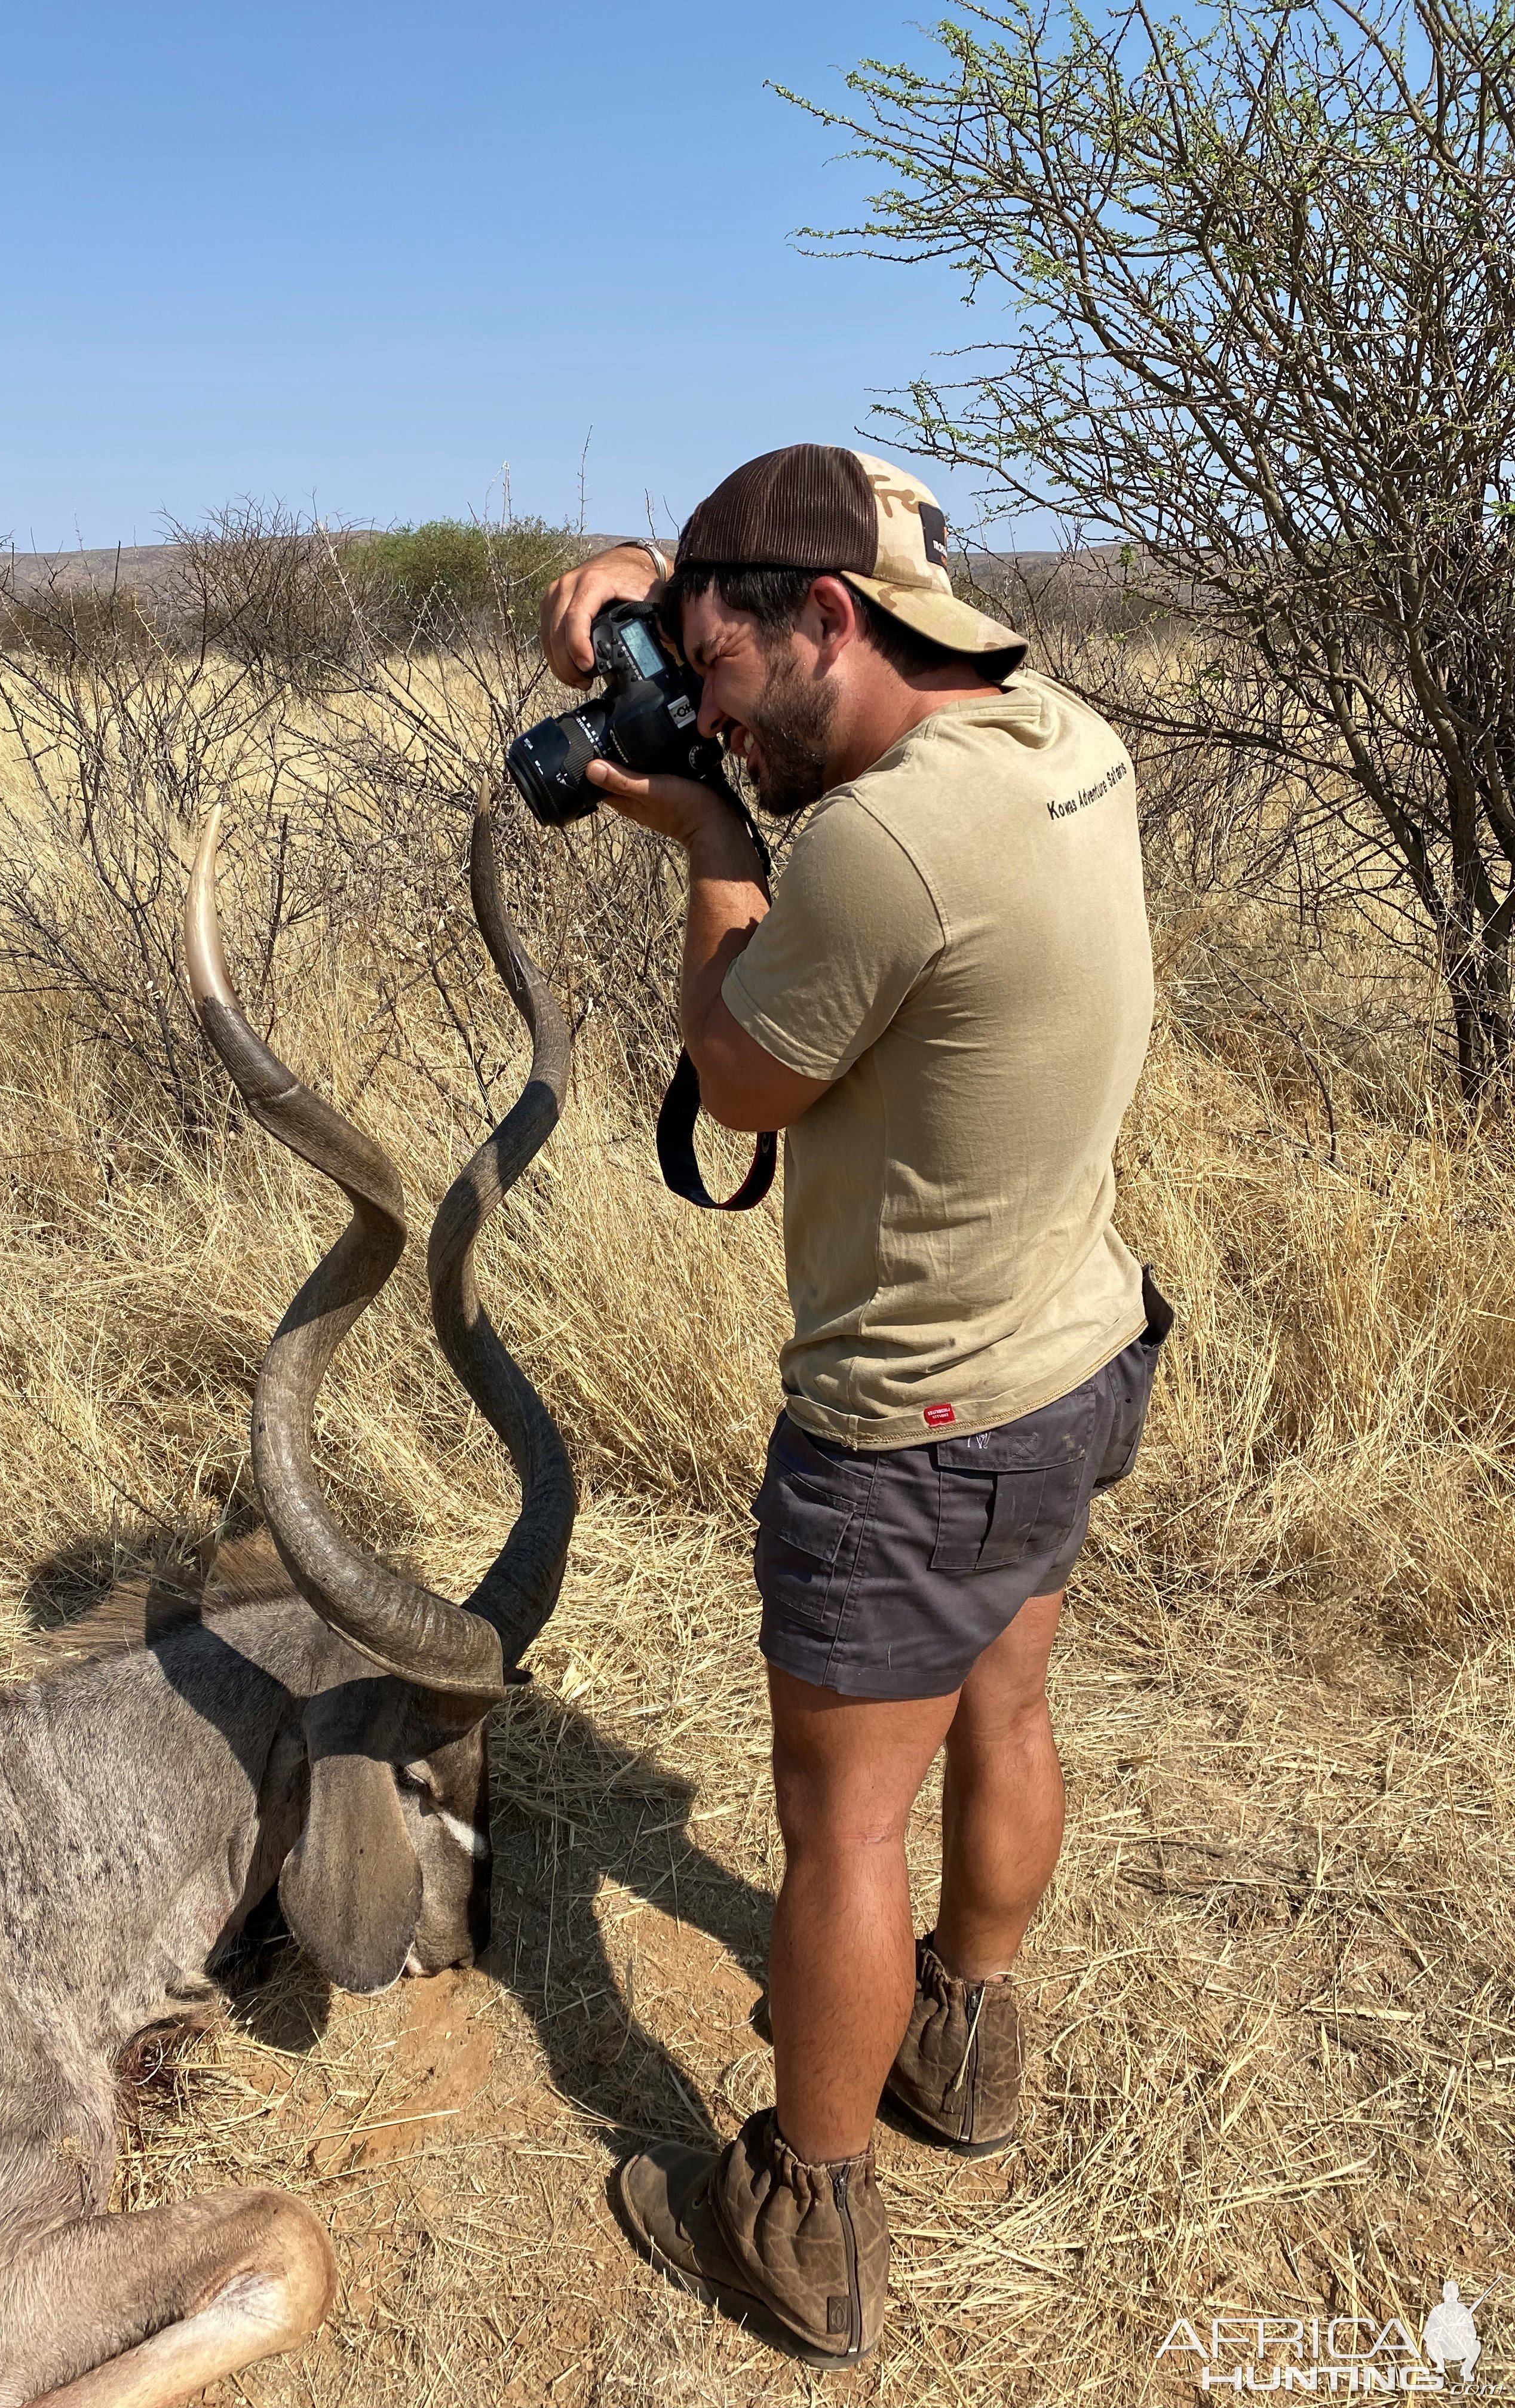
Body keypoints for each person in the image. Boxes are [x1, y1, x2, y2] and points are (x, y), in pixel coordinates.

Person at [539, 445, 1169, 2366]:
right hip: (1075, 1350)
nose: (712, 725)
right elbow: (871, 547)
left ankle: (801, 2221)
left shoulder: (888, 848)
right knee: (1012, 1700)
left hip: (913, 1426)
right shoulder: (1055, 725)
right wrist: (638, 587)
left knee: (842, 1826)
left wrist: (715, 852)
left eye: (720, 684)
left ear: (829, 621)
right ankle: (965, 2043)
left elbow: (738, 1084)